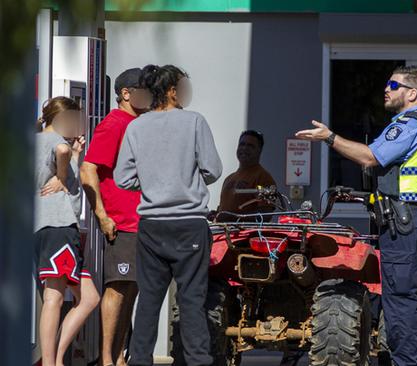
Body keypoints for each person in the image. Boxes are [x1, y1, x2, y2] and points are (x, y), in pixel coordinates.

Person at [296, 66, 417, 366]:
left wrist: (330, 137)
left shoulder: (406, 126)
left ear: (412, 93)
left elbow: (369, 156)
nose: (386, 90)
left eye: (393, 85)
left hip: (402, 224)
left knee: (400, 301)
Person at [114, 64, 222, 366]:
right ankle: (198, 361)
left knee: (149, 300)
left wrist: (152, 181)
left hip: (151, 226)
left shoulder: (136, 126)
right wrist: (186, 179)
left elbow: (123, 178)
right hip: (189, 224)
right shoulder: (195, 122)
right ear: (173, 91)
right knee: (191, 300)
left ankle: (139, 361)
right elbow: (213, 169)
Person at [80, 68, 151, 366]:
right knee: (118, 287)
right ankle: (106, 359)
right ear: (126, 94)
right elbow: (88, 169)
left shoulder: (137, 124)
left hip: (141, 221)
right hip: (121, 222)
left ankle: (119, 356)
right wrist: (103, 215)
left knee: (131, 288)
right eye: (144, 90)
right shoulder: (114, 124)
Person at [34, 96, 100, 366]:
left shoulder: (35, 140)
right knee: (55, 297)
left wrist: (74, 156)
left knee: (88, 297)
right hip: (59, 226)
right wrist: (63, 173)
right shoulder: (52, 140)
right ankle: (51, 362)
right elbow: (60, 150)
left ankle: (55, 358)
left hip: (46, 228)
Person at [214, 130, 276, 221]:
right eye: (242, 144)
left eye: (250, 146)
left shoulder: (263, 177)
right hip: (225, 234)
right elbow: (225, 211)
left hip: (247, 234)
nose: (244, 148)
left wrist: (232, 218)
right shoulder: (229, 179)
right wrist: (216, 214)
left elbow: (266, 214)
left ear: (259, 150)